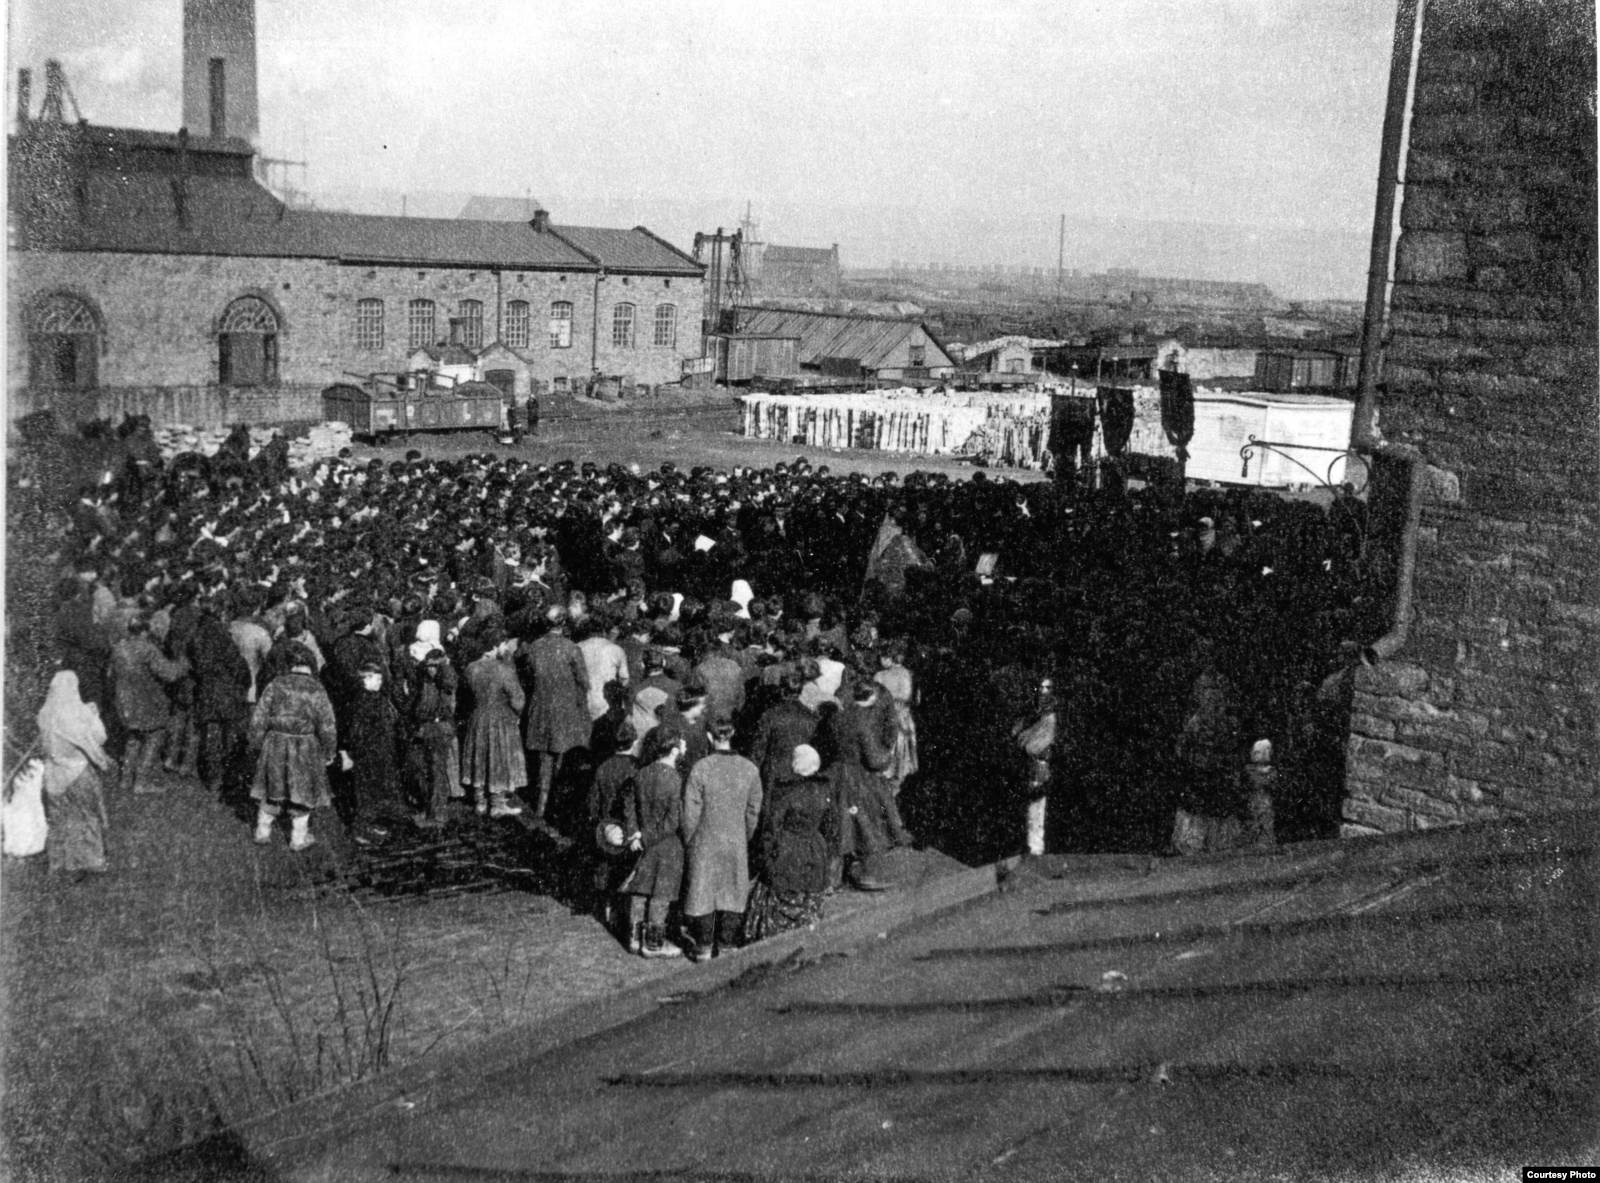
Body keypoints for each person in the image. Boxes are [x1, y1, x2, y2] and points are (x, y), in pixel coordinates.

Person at [679, 717, 763, 963]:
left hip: (704, 840)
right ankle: (726, 944)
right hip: (735, 839)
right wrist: (744, 835)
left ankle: (704, 946)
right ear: (733, 733)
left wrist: (690, 840)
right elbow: (753, 811)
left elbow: (690, 812)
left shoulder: (700, 768)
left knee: (703, 891)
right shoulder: (749, 769)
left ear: (709, 736)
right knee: (733, 890)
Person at [247, 642, 339, 852]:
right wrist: (329, 751)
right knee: (302, 794)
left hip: (275, 743)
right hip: (305, 746)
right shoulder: (316, 689)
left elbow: (259, 717)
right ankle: (298, 839)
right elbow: (327, 724)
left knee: (272, 789)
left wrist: (256, 743)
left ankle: (262, 831)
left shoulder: (276, 684)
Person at [744, 744, 838, 943]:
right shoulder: (824, 790)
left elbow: (771, 828)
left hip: (788, 850)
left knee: (781, 893)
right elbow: (832, 826)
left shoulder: (786, 791)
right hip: (815, 849)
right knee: (809, 895)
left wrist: (764, 858)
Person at [36, 671, 114, 877]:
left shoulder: (45, 713)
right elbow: (99, 737)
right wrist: (94, 716)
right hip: (77, 770)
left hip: (53, 773)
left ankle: (58, 862)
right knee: (87, 815)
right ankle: (89, 861)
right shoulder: (75, 712)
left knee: (59, 818)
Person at [521, 606, 591, 830]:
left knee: (544, 760)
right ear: (564, 623)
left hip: (540, 709)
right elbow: (584, 682)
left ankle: (541, 806)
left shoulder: (534, 647)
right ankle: (555, 808)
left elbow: (527, 679)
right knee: (562, 758)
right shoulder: (571, 648)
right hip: (565, 710)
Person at [621, 724, 687, 958]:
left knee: (640, 890)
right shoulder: (674, 779)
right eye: (681, 743)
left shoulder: (641, 773)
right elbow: (673, 821)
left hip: (642, 844)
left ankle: (633, 939)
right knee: (661, 894)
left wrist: (634, 834)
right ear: (674, 750)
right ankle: (653, 944)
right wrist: (648, 837)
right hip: (667, 846)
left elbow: (629, 806)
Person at [109, 614, 188, 794]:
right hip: (146, 700)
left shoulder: (118, 648)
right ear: (145, 631)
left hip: (124, 701)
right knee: (154, 735)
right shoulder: (148, 649)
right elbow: (169, 674)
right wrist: (183, 663)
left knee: (133, 737)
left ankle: (125, 778)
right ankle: (141, 781)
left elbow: (110, 675)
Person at [461, 631, 528, 818]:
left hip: (477, 717)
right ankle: (497, 804)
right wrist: (517, 714)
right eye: (503, 644)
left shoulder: (470, 668)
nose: (505, 648)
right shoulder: (504, 669)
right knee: (498, 759)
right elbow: (518, 699)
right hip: (500, 719)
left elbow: (465, 697)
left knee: (479, 757)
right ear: (494, 646)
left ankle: (480, 801)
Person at [401, 627, 460, 829]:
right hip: (431, 728)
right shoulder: (429, 680)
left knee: (435, 771)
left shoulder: (443, 682)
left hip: (436, 727)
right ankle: (431, 809)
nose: (430, 669)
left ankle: (436, 813)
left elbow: (427, 707)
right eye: (428, 666)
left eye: (434, 666)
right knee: (427, 770)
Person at [1013, 675, 1058, 858]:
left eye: (1048, 688)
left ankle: (1036, 847)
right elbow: (1018, 733)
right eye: (1041, 688)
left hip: (1041, 765)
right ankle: (1030, 846)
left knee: (1037, 806)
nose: (1044, 692)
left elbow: (1035, 745)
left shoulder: (1051, 718)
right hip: (1030, 766)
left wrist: (1025, 740)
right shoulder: (1035, 716)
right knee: (1031, 807)